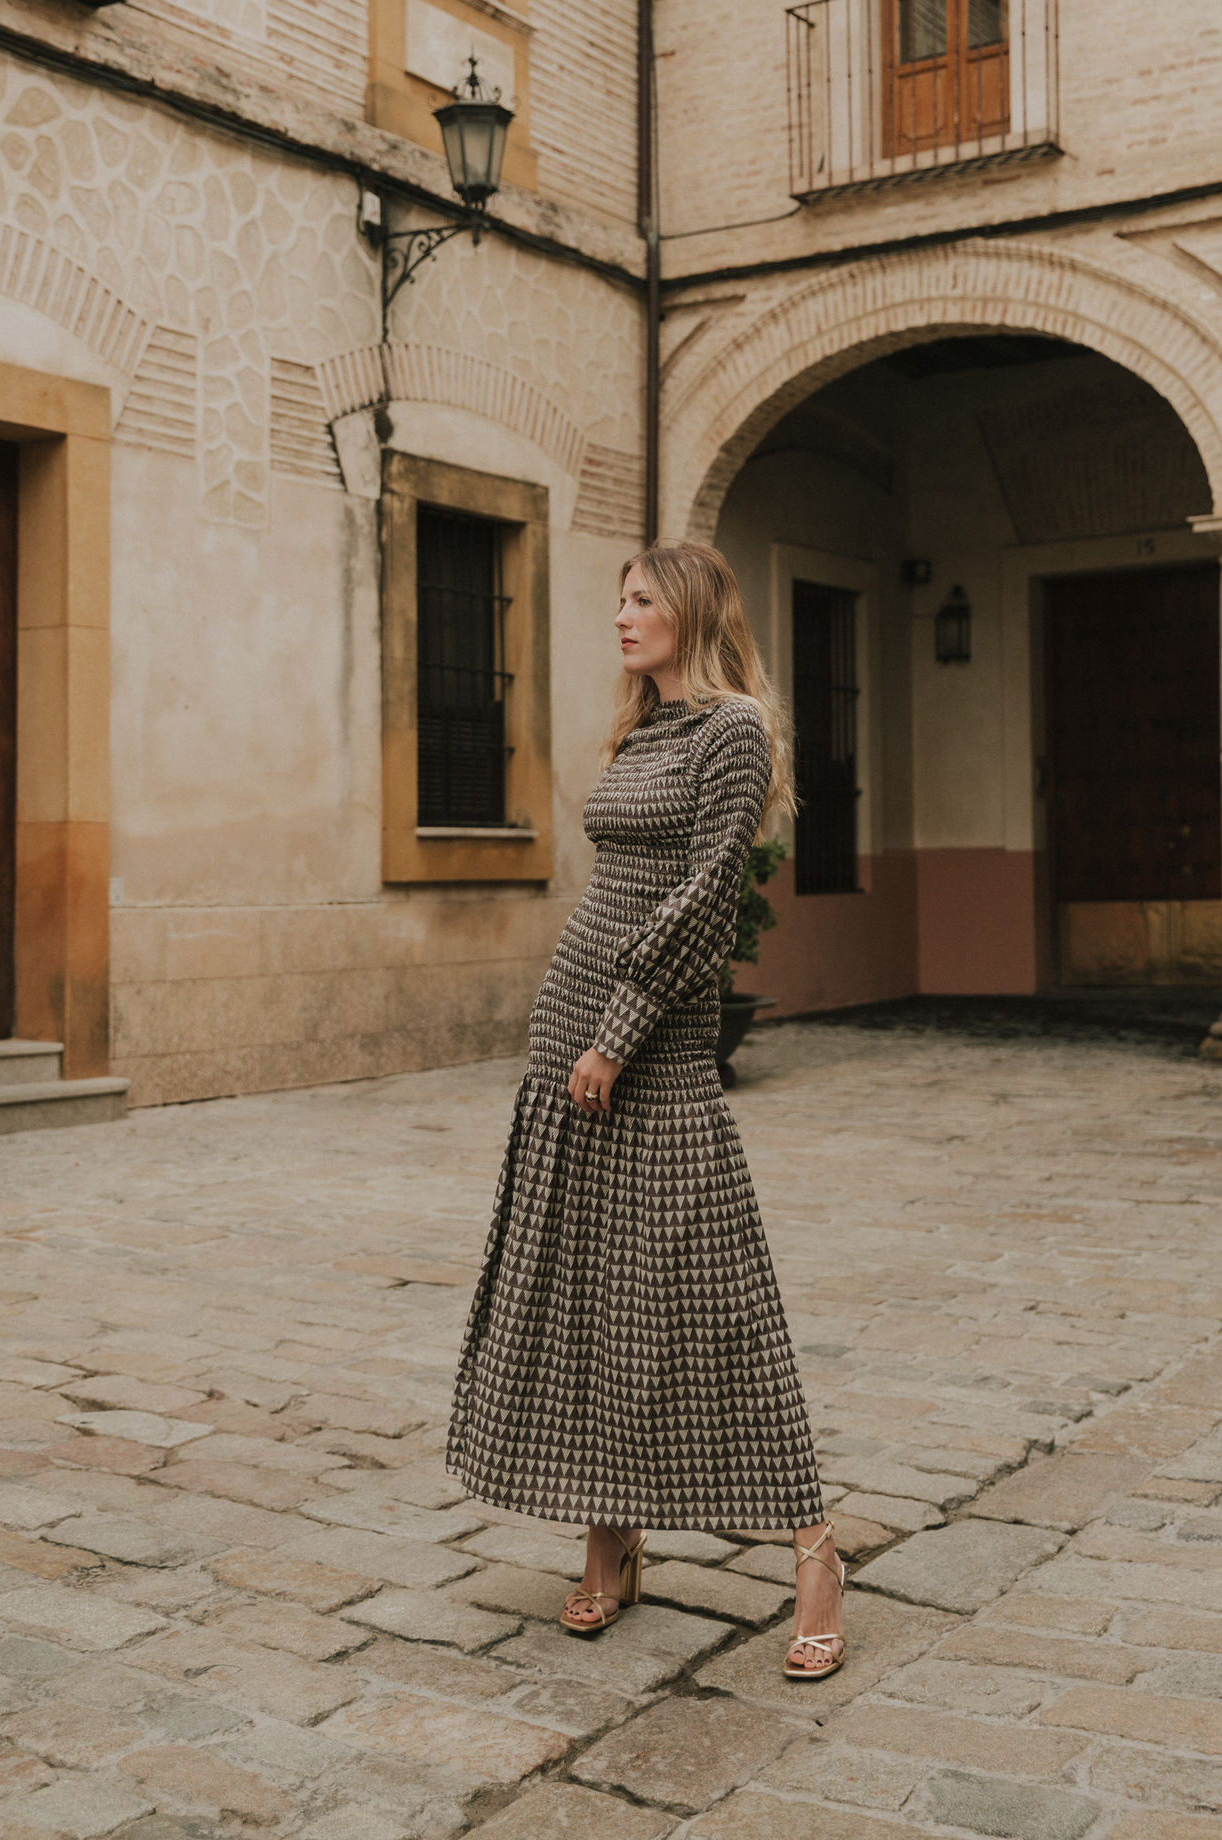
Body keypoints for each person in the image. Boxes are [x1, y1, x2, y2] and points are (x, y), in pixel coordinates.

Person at [447, 540, 845, 1679]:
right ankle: (608, 1535)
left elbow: (709, 889)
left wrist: (617, 1030)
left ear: (691, 608)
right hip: (564, 1037)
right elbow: (615, 881)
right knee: (586, 1295)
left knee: (709, 1301)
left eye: (639, 599)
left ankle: (813, 1549)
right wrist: (575, 1029)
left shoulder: (732, 729)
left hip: (647, 1048)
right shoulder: (640, 728)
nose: (620, 616)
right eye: (617, 599)